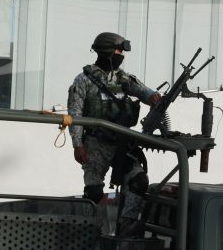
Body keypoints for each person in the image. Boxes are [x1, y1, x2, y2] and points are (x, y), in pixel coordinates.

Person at [68, 32, 161, 234]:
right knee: (94, 193)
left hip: (121, 144)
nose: (122, 55)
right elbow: (75, 114)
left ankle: (126, 227)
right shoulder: (84, 80)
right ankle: (94, 234)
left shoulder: (123, 78)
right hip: (95, 145)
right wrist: (78, 144)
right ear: (108, 52)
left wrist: (153, 97)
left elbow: (144, 92)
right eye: (119, 51)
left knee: (138, 181)